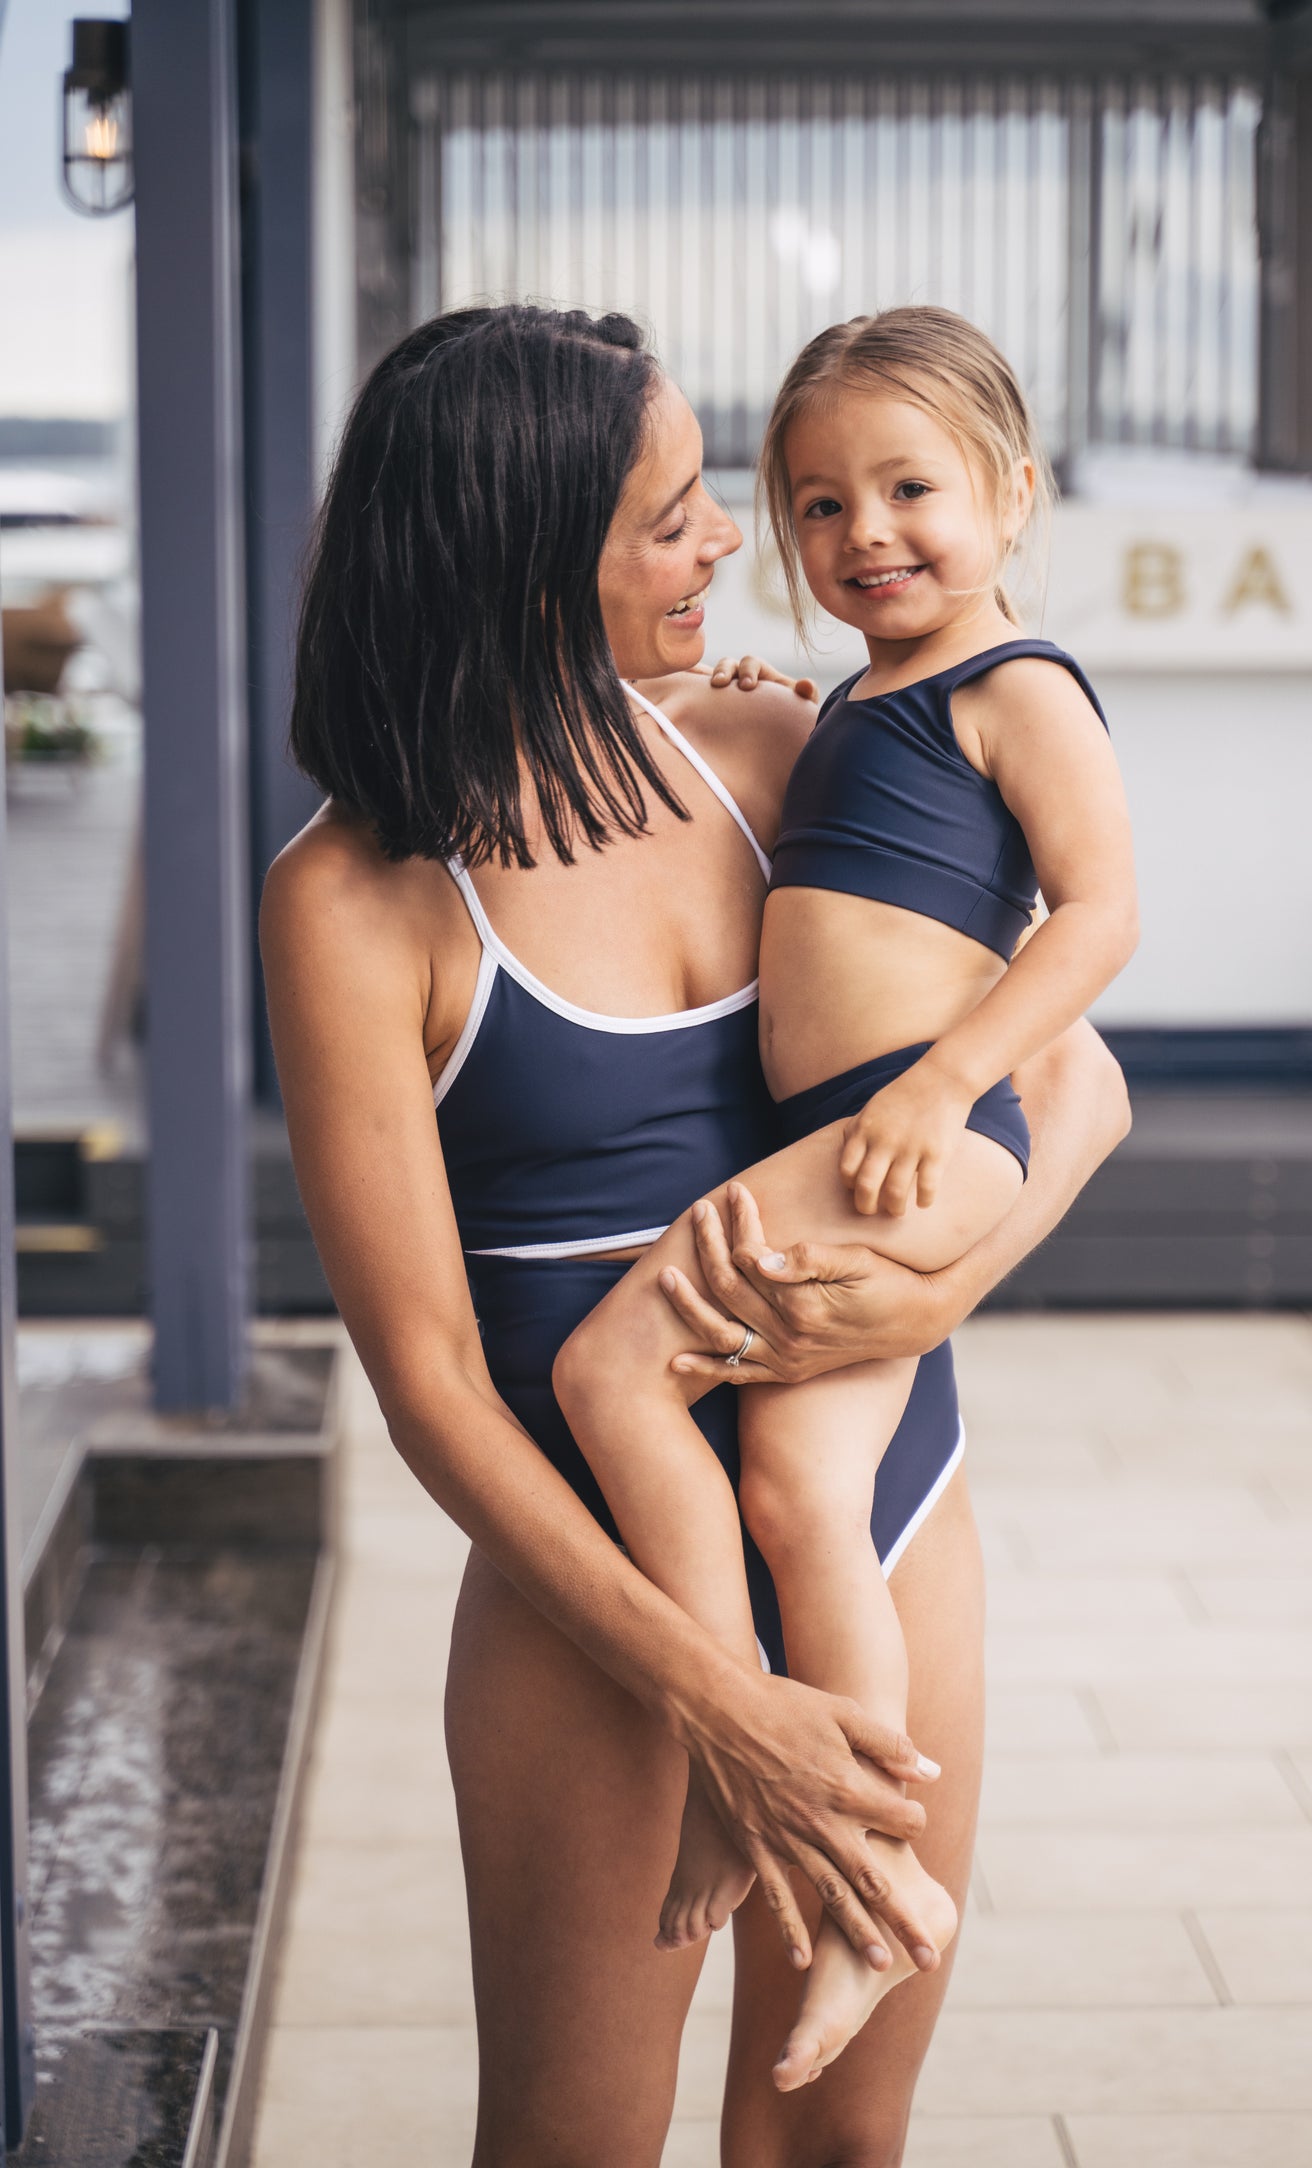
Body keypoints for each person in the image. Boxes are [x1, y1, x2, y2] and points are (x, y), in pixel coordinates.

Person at [261, 302, 1130, 2168]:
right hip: (602, 1605)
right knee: (571, 2143)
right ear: (525, 559)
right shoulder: (349, 898)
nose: (735, 540)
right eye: (672, 517)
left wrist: (938, 1285)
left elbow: (1073, 1085)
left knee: (832, 2139)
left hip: (883, 1510)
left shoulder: (772, 746)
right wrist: (715, 1697)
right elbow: (426, 1385)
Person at [554, 305, 1138, 2088]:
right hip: (858, 1128)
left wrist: (948, 1084)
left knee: (611, 1372)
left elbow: (1099, 915)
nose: (863, 533)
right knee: (799, 1491)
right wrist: (755, 705)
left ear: (1011, 494)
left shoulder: (1015, 686)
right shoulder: (856, 703)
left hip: (908, 1131)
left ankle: (763, 1793)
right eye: (818, 504)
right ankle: (858, 1869)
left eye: (909, 490)